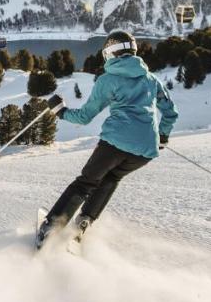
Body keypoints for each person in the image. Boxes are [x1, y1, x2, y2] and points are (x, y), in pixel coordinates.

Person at [37, 30, 178, 247]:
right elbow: (170, 112)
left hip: (114, 143)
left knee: (85, 183)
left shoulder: (108, 80)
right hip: (145, 151)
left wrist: (61, 112)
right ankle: (84, 222)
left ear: (110, 53)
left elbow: (84, 117)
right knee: (111, 179)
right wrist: (163, 136)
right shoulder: (151, 79)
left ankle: (51, 229)